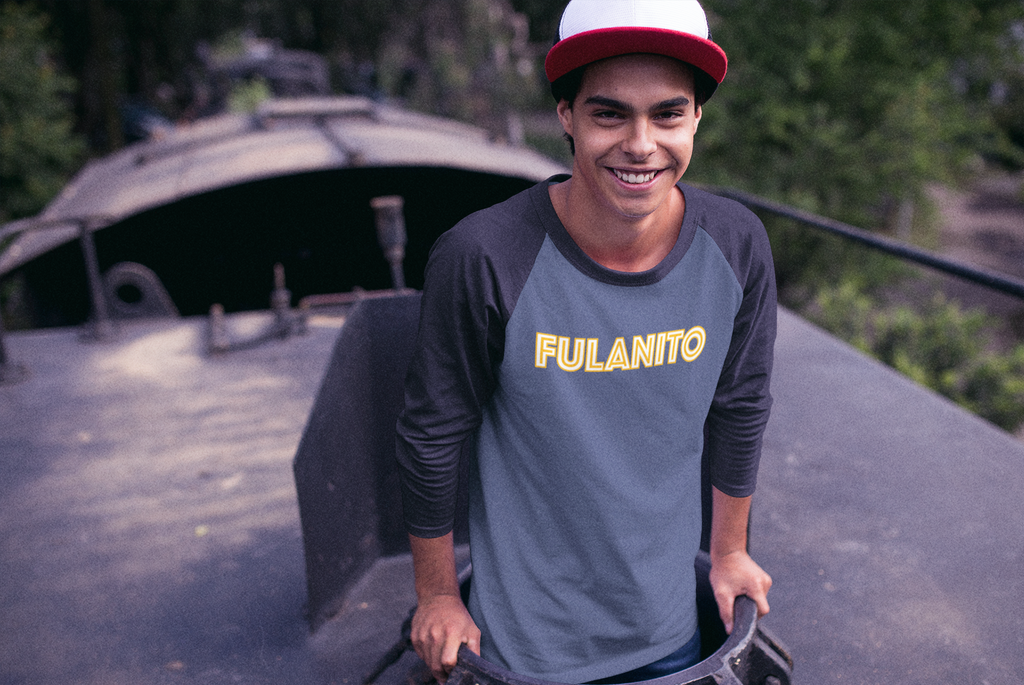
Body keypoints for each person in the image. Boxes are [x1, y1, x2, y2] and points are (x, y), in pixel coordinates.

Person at [396, 0, 776, 682]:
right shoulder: (483, 255)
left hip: (669, 635)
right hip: (524, 645)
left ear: (696, 117)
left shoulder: (737, 245)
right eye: (609, 113)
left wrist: (729, 552)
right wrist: (438, 594)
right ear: (566, 115)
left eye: (667, 113)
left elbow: (740, 404)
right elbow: (432, 434)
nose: (640, 143)